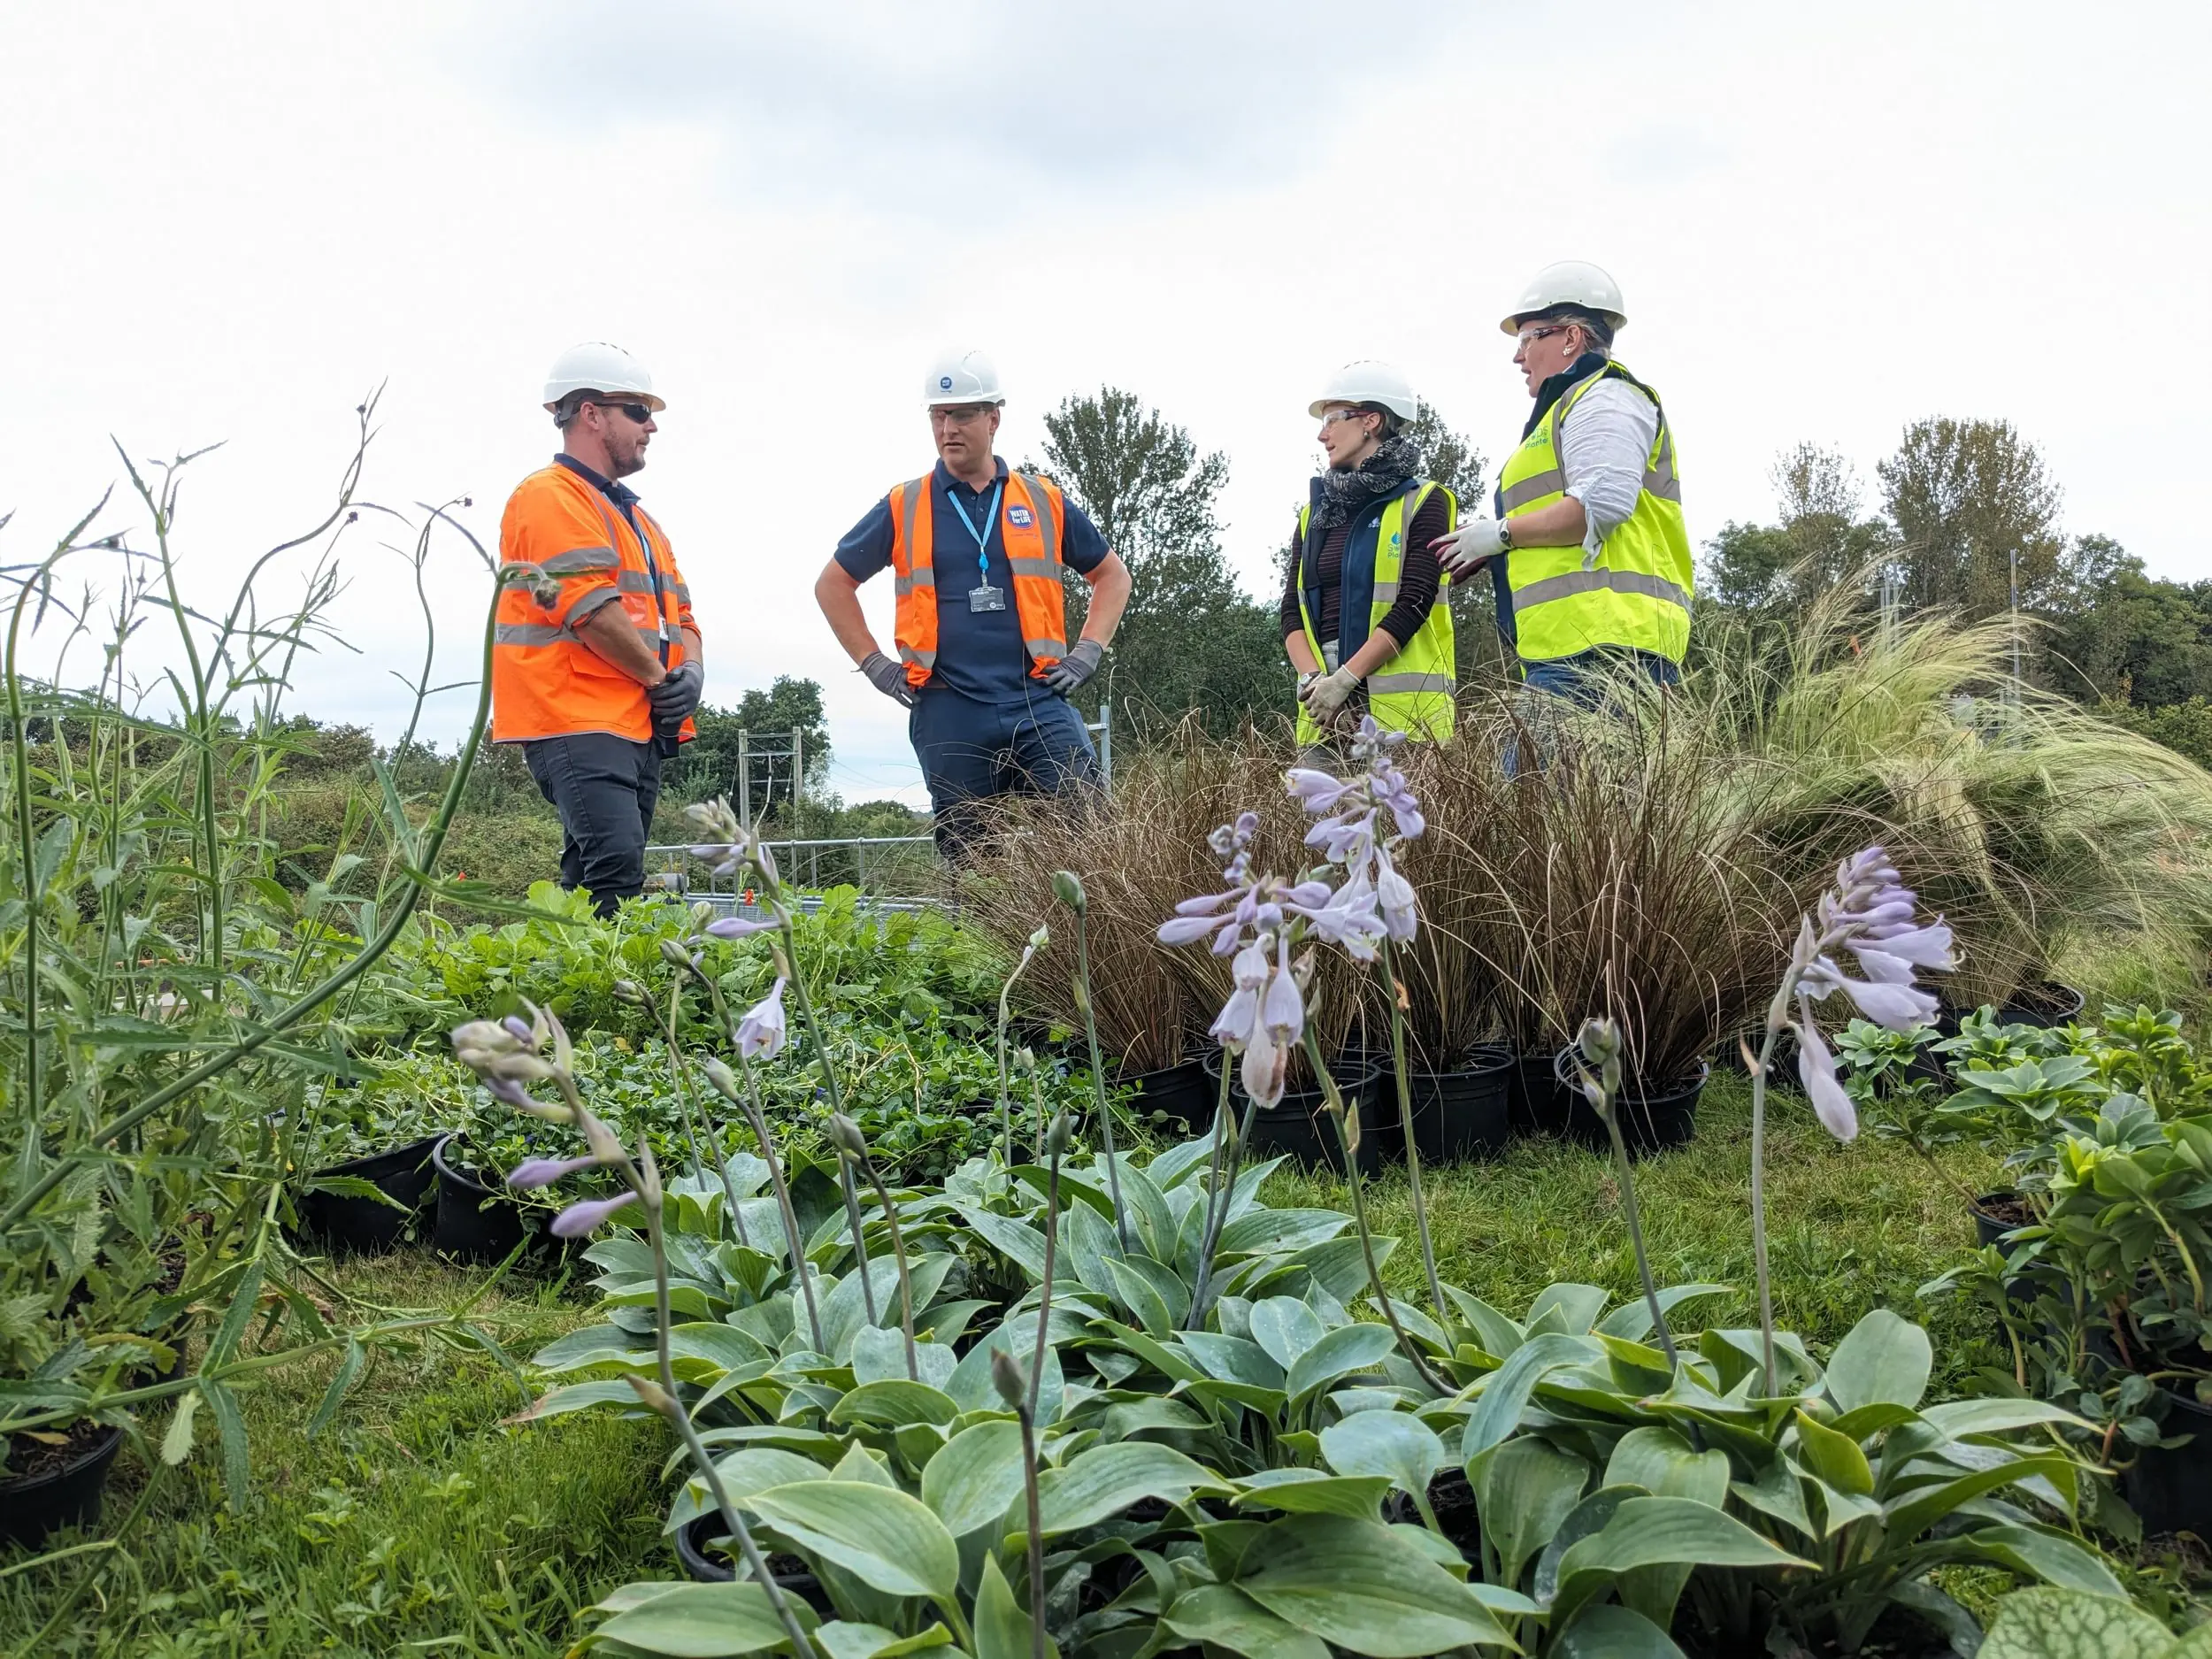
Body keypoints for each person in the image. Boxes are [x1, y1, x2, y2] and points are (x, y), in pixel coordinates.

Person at [815, 349, 1132, 860]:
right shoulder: (905, 503)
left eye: (961, 414)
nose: (947, 429)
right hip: (949, 706)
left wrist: (1088, 651)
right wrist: (874, 665)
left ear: (993, 418)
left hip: (1037, 698)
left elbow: (1112, 576)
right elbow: (832, 584)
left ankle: (1087, 941)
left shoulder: (1042, 500)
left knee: (1090, 836)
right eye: (938, 416)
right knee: (971, 860)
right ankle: (980, 937)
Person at [492, 342, 704, 916]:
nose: (652, 425)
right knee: (616, 871)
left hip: (634, 722)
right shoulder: (549, 496)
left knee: (591, 877)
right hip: (576, 715)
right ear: (590, 413)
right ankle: (622, 999)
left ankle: (559, 990)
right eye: (637, 410)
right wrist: (664, 678)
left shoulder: (640, 521)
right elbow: (591, 610)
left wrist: (693, 673)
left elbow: (682, 616)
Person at [1432, 262, 1692, 710]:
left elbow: (1599, 507)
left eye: (1526, 339)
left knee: (1531, 780)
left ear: (1570, 337)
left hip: (1606, 649)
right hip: (1573, 649)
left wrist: (1499, 534)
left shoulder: (1606, 397)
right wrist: (1499, 544)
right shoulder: (1567, 409)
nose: (1518, 357)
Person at [1282, 361, 1456, 753]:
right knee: (1320, 816)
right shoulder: (1313, 516)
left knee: (1403, 817)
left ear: (1371, 420)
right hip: (1322, 716)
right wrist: (1316, 683)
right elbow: (1292, 610)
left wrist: (1344, 681)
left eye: (1331, 419)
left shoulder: (1425, 502)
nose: (1321, 434)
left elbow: (1415, 601)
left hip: (1405, 724)